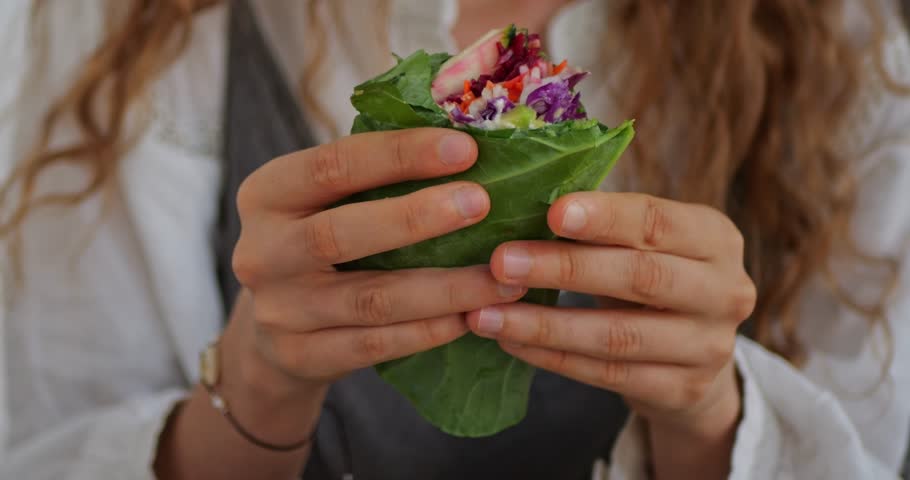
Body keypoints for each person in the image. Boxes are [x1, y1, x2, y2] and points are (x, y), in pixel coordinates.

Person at [1, 0, 909, 479]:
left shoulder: (848, 54)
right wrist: (255, 389)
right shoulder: (132, 32)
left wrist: (712, 418)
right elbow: (46, 441)